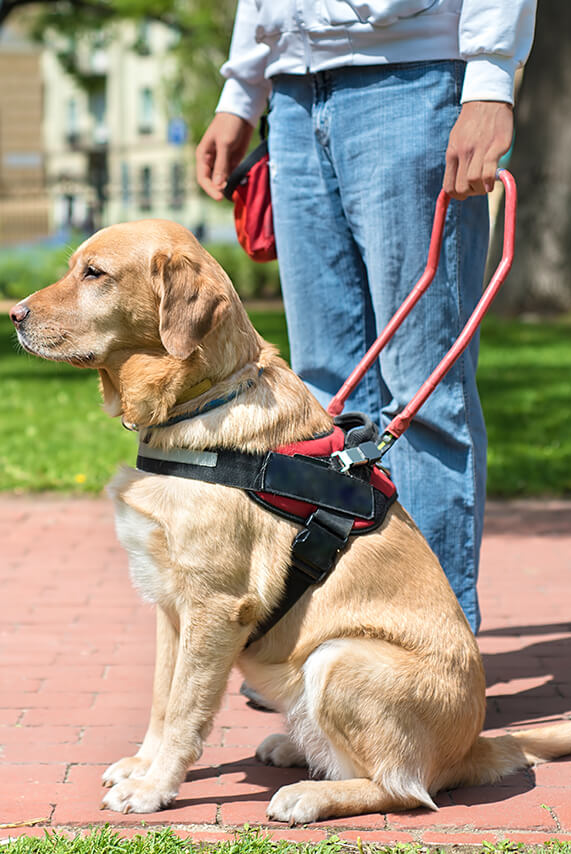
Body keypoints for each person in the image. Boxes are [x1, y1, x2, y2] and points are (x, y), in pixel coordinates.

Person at [196, 1, 537, 634]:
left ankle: (432, 650)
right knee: (324, 396)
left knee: (424, 393)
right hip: (294, 94)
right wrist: (240, 90)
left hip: (413, 78)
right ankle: (337, 637)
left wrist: (489, 80)